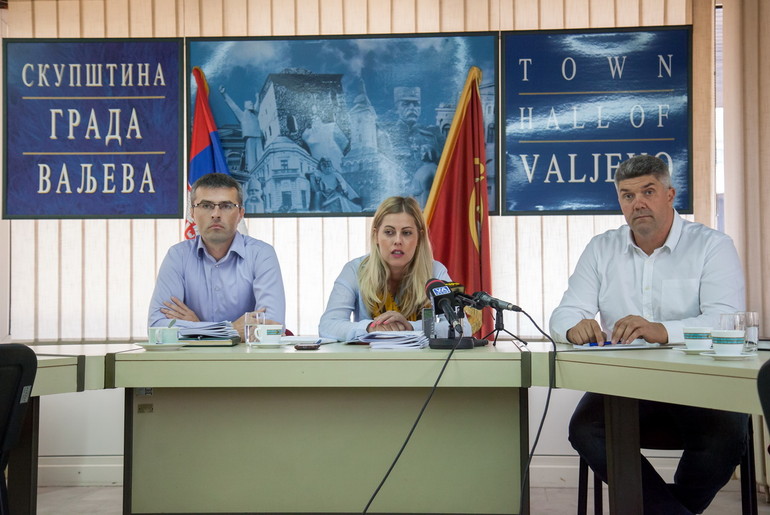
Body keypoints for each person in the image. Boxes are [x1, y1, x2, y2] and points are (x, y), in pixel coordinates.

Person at [549, 155, 747, 515]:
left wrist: (662, 331)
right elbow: (564, 312)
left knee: (729, 435)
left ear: (670, 194)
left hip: (699, 379)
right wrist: (573, 326)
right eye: (627, 195)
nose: (637, 202)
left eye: (648, 191)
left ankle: (663, 508)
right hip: (626, 382)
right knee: (585, 429)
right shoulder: (601, 248)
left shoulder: (712, 245)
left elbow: (726, 319)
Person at [148, 173, 285, 339]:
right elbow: (157, 327)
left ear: (241, 213)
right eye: (206, 206)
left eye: (226, 206)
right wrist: (229, 329)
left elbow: (271, 326)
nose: (216, 214)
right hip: (191, 362)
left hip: (248, 361)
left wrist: (197, 328)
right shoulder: (177, 256)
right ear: (192, 213)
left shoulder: (261, 254)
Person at [319, 196, 467, 341]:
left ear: (419, 238)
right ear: (376, 235)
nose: (397, 241)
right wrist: (370, 327)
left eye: (406, 233)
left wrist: (410, 326)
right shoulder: (354, 269)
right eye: (389, 232)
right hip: (369, 361)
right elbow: (327, 326)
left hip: (422, 363)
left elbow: (464, 327)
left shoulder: (436, 271)